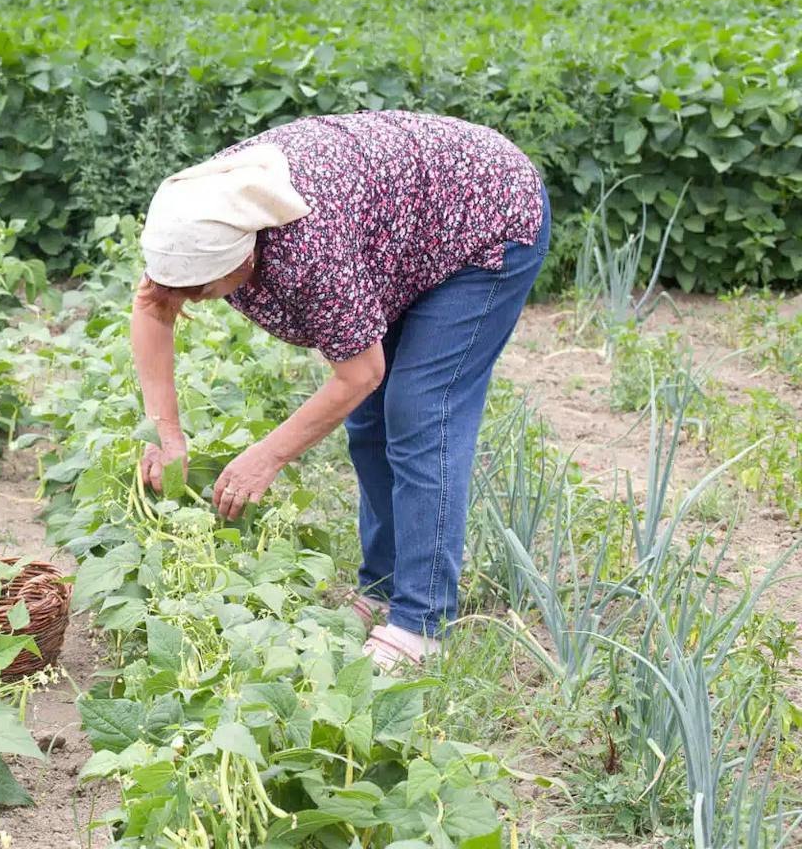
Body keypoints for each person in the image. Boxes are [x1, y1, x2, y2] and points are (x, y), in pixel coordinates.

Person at [130, 111, 550, 670]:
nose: (198, 301)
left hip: (485, 221)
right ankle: (383, 585)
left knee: (420, 409)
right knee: (370, 420)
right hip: (406, 231)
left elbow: (359, 372)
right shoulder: (194, 214)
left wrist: (267, 456)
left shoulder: (305, 251)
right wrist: (169, 436)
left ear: (244, 257)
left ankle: (422, 621)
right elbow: (153, 307)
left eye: (204, 291)